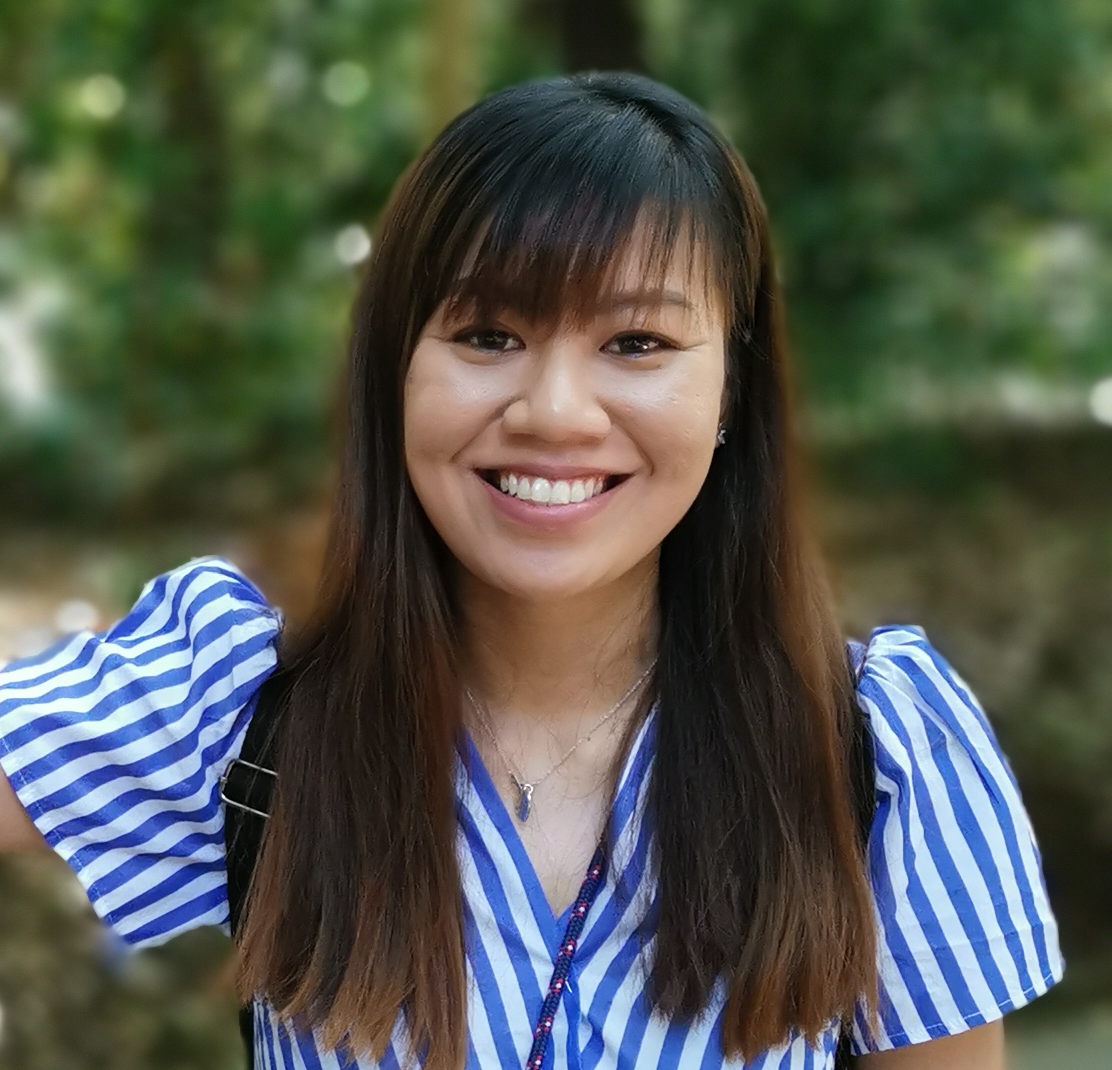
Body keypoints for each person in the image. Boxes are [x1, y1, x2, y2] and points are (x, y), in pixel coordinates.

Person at [0, 72, 1062, 1070]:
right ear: (395, 371)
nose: (554, 410)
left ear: (731, 385)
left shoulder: (876, 752)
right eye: (488, 332)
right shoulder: (238, 704)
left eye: (636, 341)